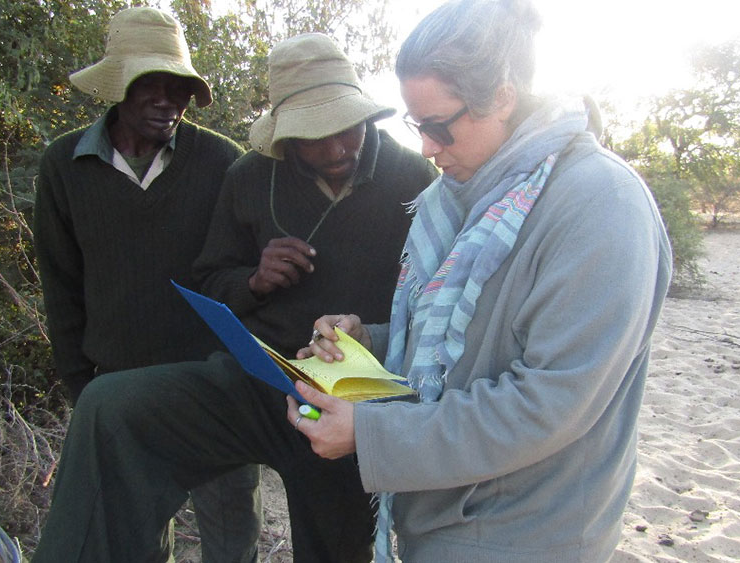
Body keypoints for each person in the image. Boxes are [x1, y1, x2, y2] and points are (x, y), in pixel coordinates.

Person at [288, 1, 673, 561]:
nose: (425, 147)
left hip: (528, 534)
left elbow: (548, 402)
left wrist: (371, 436)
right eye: (416, 126)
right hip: (442, 516)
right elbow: (462, 342)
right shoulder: (462, 194)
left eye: (439, 126)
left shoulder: (601, 204)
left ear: (504, 96)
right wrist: (370, 342)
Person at [30, 32, 437, 563]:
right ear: (287, 135)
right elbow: (211, 278)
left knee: (336, 546)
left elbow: (438, 300)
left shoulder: (415, 178)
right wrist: (254, 281)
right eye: (318, 135)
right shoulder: (248, 176)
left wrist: (373, 338)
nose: (340, 148)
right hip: (258, 381)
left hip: (347, 402)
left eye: (350, 127)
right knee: (110, 407)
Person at [32, 7, 260, 562]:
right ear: (119, 86)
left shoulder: (221, 162)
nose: (168, 100)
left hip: (211, 387)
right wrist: (83, 389)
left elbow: (241, 275)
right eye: (150, 85)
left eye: (179, 87)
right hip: (119, 391)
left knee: (231, 537)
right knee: (130, 542)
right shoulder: (65, 166)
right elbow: (61, 286)